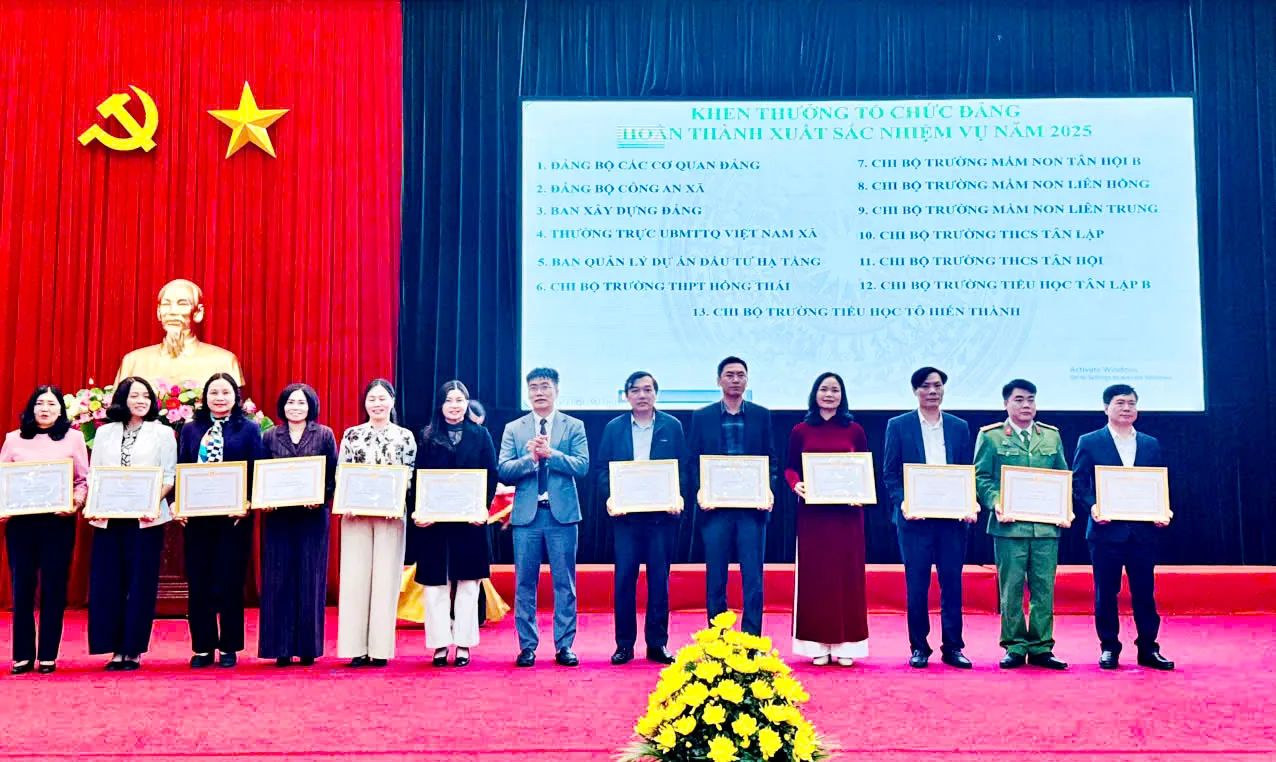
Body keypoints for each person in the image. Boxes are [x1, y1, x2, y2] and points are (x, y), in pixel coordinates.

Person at [1072, 384, 1174, 671]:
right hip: (1105, 531)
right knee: (1106, 591)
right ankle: (1109, 647)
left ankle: (1148, 648)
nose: (1127, 408)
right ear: (1106, 408)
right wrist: (1093, 506)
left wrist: (1163, 509)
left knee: (1145, 592)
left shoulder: (1150, 443)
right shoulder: (1090, 441)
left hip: (1142, 531)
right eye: (1120, 403)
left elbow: (1159, 483)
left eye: (1131, 403)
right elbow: (1078, 482)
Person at [974, 379, 1072, 670]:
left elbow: (1062, 475)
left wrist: (1065, 507)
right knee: (1012, 589)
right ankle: (1015, 645)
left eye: (1031, 399)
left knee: (1044, 589)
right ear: (1006, 403)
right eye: (1019, 399)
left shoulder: (1051, 436)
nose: (1026, 405)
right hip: (1009, 526)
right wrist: (996, 502)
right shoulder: (991, 437)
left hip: (1045, 528)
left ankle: (1041, 647)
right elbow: (982, 477)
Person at [882, 367, 975, 669]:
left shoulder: (959, 427)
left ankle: (953, 647)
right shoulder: (899, 426)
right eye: (925, 386)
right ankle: (919, 646)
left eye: (937, 385)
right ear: (915, 391)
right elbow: (890, 473)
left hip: (952, 519)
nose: (932, 391)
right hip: (915, 519)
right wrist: (904, 503)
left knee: (952, 584)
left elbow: (967, 471)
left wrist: (969, 501)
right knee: (917, 584)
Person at [498, 367, 589, 668]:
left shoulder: (573, 426)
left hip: (562, 516)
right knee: (524, 584)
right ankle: (527, 646)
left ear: (556, 391)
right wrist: (531, 459)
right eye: (534, 387)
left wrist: (552, 454)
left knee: (565, 584)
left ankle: (565, 646)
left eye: (545, 386)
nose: (539, 392)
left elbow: (582, 466)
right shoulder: (514, 428)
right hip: (527, 517)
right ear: (527, 392)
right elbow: (504, 470)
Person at [596, 371, 687, 666]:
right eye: (635, 390)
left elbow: (683, 469)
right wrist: (611, 497)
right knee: (624, 581)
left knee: (659, 581)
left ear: (656, 394)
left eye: (648, 389)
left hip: (661, 519)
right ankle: (624, 645)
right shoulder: (614, 428)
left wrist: (678, 496)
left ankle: (657, 644)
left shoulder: (672, 426)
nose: (642, 395)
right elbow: (602, 470)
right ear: (627, 396)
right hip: (626, 518)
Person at [87, 377, 176, 671]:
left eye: (146, 396)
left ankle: (133, 649)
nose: (141, 401)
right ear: (122, 399)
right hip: (109, 518)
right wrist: (93, 504)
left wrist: (149, 502)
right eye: (134, 395)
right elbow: (95, 475)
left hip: (145, 520)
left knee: (141, 584)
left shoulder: (163, 433)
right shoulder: (104, 433)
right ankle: (114, 649)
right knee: (108, 583)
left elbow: (169, 476)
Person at [0, 386, 89, 674]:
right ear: (31, 407)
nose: (45, 409)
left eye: (52, 404)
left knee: (54, 588)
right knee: (22, 589)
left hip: (57, 522)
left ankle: (48, 655)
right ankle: (22, 655)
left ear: (61, 410)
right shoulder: (14, 439)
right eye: (40, 403)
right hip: (21, 523)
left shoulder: (73, 438)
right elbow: (3, 480)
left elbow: (83, 479)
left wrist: (75, 503)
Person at [785, 372, 870, 666]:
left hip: (848, 515)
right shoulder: (800, 430)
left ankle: (848, 645)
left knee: (848, 576)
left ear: (842, 395)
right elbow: (790, 468)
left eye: (835, 390)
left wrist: (862, 491)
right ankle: (816, 645)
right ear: (815, 393)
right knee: (816, 577)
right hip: (814, 516)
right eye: (824, 389)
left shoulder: (855, 430)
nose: (829, 394)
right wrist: (795, 484)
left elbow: (864, 467)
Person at [177, 373, 260, 668]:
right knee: (199, 582)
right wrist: (179, 503)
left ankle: (229, 646)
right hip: (197, 517)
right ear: (205, 397)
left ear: (235, 397)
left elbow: (257, 469)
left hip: (233, 518)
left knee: (230, 582)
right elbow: (182, 466)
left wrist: (248, 502)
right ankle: (202, 647)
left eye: (226, 392)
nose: (220, 398)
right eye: (214, 392)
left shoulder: (249, 429)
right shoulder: (190, 428)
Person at [688, 356, 774, 637]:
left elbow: (770, 460)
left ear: (747, 380)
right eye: (729, 374)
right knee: (716, 577)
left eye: (740, 375)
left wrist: (767, 488)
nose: (735, 379)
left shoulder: (762, 415)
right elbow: (693, 462)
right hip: (716, 510)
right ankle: (718, 639)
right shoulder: (702, 417)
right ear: (719, 380)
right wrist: (701, 489)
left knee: (753, 578)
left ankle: (751, 640)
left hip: (751, 510)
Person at [413, 381, 498, 667]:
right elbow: (417, 478)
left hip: (470, 522)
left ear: (467, 403)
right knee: (434, 585)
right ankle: (439, 644)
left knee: (469, 584)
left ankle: (463, 644)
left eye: (460, 400)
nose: (454, 405)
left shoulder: (481, 435)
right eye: (449, 400)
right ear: (440, 404)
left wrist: (482, 508)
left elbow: (491, 475)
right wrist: (420, 510)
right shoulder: (426, 436)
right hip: (434, 523)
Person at [337, 378, 417, 667]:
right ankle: (355, 648)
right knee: (355, 579)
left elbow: (410, 474)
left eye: (382, 398)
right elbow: (341, 472)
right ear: (365, 403)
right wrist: (347, 499)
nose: (377, 404)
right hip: (355, 515)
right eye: (372, 398)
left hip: (390, 516)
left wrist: (395, 498)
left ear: (392, 401)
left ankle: (381, 648)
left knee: (386, 579)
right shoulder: (352, 435)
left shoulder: (405, 437)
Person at [258, 383, 338, 667]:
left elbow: (333, 475)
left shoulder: (324, 434)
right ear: (282, 406)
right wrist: (263, 499)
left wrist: (321, 498)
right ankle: (280, 647)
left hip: (312, 518)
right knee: (278, 580)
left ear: (311, 406)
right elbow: (260, 474)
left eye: (301, 403)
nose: (295, 407)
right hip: (278, 518)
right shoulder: (269, 436)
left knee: (310, 580)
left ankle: (308, 647)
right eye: (290, 402)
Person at [114, 278, 244, 387]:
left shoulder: (224, 361)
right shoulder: (133, 361)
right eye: (166, 304)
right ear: (159, 312)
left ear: (198, 313)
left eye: (182, 304)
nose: (172, 312)